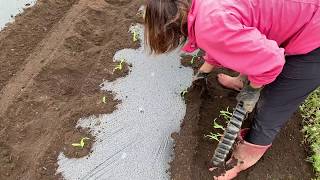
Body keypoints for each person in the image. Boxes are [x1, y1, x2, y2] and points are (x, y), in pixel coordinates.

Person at [144, 0, 320, 179]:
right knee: (250, 52)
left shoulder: (209, 27)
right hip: (298, 16)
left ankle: (243, 159)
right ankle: (242, 81)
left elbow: (272, 60)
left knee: (271, 107)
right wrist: (204, 72)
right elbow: (231, 35)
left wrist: (253, 90)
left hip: (314, 36)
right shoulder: (204, 7)